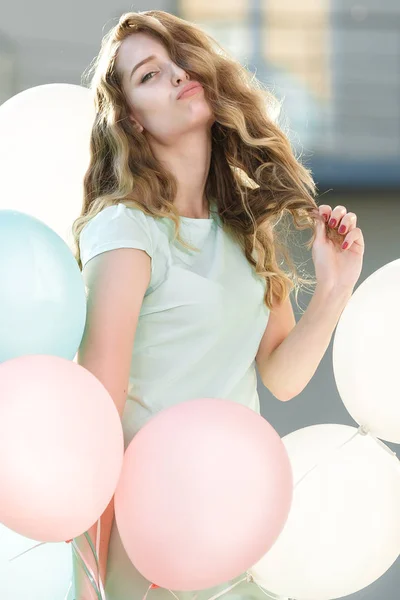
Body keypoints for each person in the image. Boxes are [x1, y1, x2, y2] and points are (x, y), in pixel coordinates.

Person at [70, 9, 365, 600]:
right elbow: (95, 415)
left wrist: (335, 288)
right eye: (149, 76)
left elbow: (281, 376)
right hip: (151, 540)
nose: (177, 75)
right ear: (132, 118)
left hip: (237, 527)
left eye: (178, 61)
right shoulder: (128, 230)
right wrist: (86, 578)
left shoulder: (244, 228)